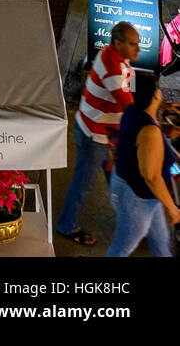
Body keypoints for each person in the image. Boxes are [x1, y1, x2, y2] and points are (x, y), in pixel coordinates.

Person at [56, 21, 138, 247]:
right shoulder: (112, 67)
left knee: (118, 180)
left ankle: (131, 223)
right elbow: (128, 105)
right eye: (133, 44)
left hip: (108, 135)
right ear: (118, 43)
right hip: (95, 137)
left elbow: (129, 88)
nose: (138, 49)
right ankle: (66, 226)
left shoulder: (116, 55)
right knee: (83, 185)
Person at [105, 71, 178, 257]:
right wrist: (172, 208)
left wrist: (165, 124)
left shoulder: (132, 111)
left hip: (131, 189)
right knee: (121, 249)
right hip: (138, 199)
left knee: (161, 242)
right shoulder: (149, 131)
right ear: (155, 95)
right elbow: (151, 176)